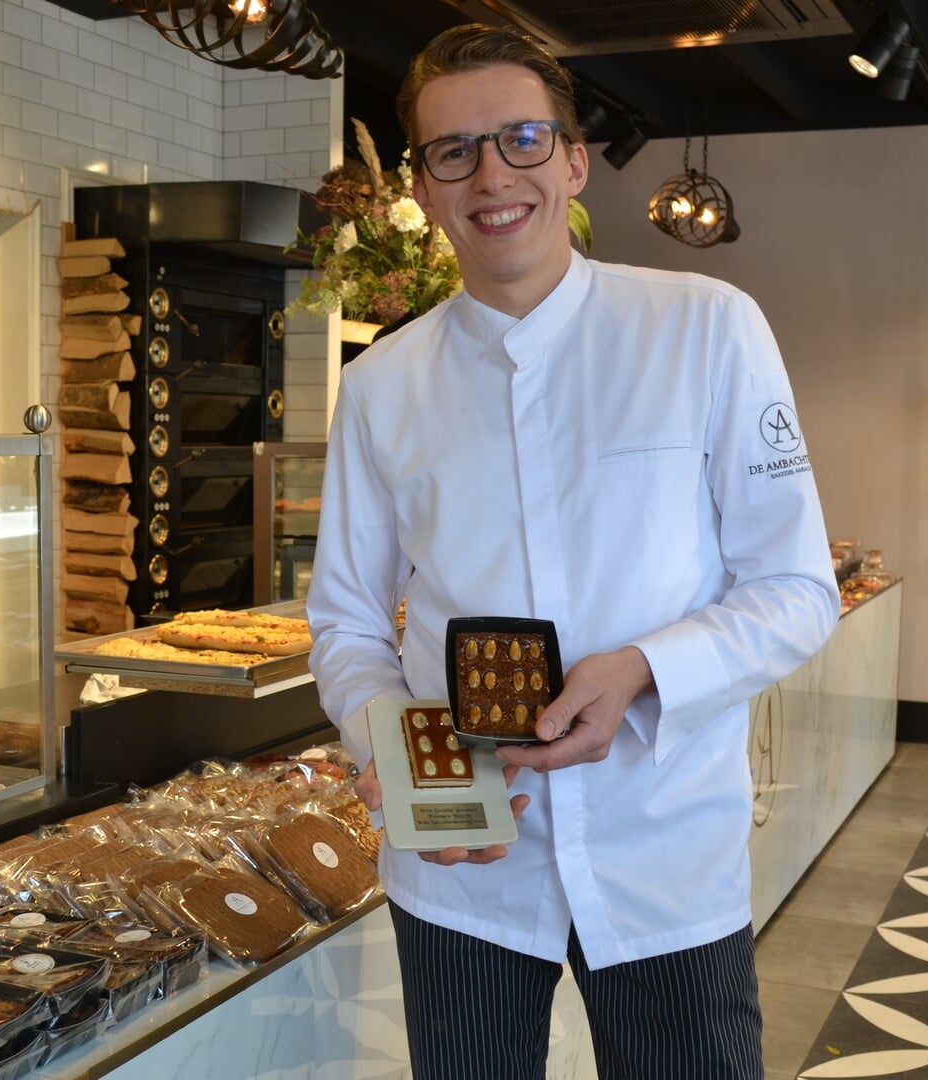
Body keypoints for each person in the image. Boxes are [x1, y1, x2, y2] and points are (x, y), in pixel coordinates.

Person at [305, 23, 841, 1080]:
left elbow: (795, 589)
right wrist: (396, 755)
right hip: (466, 865)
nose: (491, 175)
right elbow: (348, 626)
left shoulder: (707, 329)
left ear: (574, 159)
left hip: (665, 849)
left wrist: (643, 669)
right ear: (423, 182)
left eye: (522, 138)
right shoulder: (382, 387)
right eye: (454, 151)